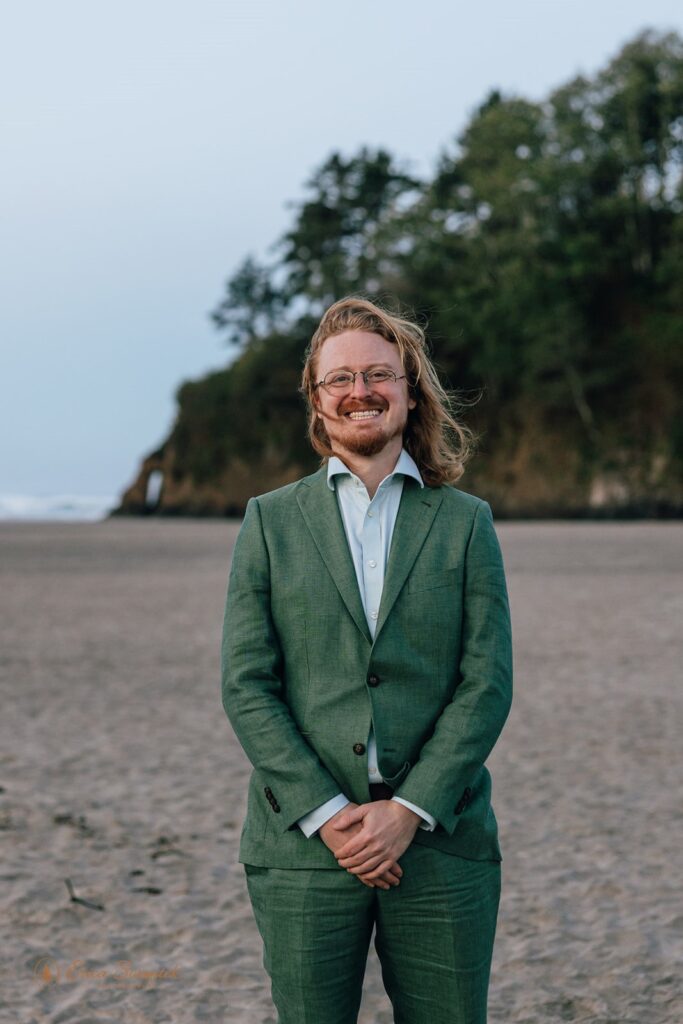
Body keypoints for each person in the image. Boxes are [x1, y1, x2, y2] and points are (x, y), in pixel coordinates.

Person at [221, 295, 513, 1024]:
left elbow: (485, 682)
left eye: (379, 374)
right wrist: (331, 817)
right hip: (304, 845)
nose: (360, 391)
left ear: (409, 391)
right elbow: (247, 683)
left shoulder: (466, 522)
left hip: (440, 840)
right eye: (340, 379)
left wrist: (409, 812)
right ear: (317, 403)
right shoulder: (269, 521)